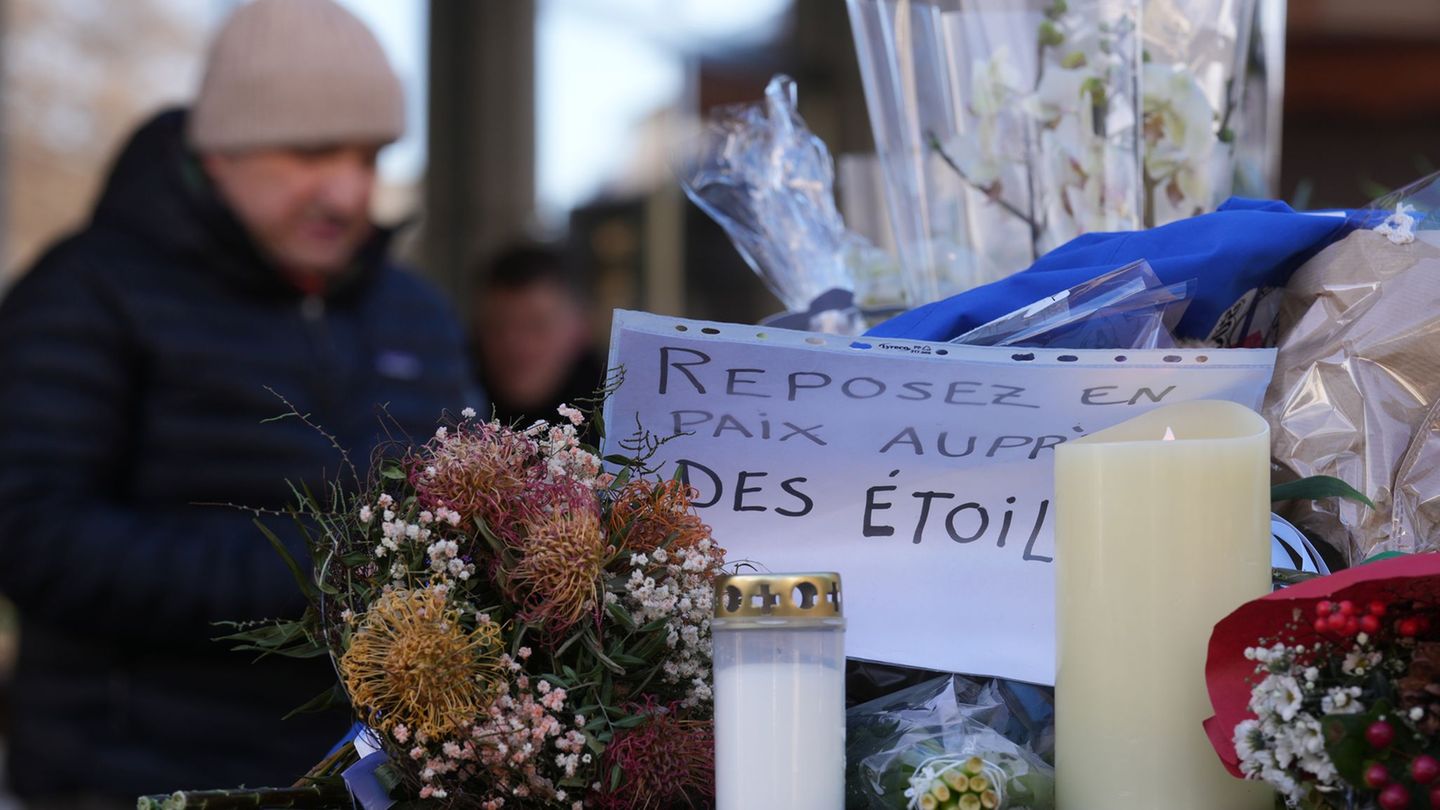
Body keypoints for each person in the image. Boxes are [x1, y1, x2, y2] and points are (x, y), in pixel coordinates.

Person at [0, 1, 476, 805]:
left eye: (370, 156)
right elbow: (30, 531)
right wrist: (321, 574)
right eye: (312, 151)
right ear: (219, 150)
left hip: (380, 785)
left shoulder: (416, 314)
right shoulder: (90, 291)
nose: (349, 191)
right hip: (137, 777)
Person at [471, 244, 604, 426]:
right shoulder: (447, 403)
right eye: (498, 326)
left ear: (580, 329)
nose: (515, 345)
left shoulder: (620, 424)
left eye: (537, 326)